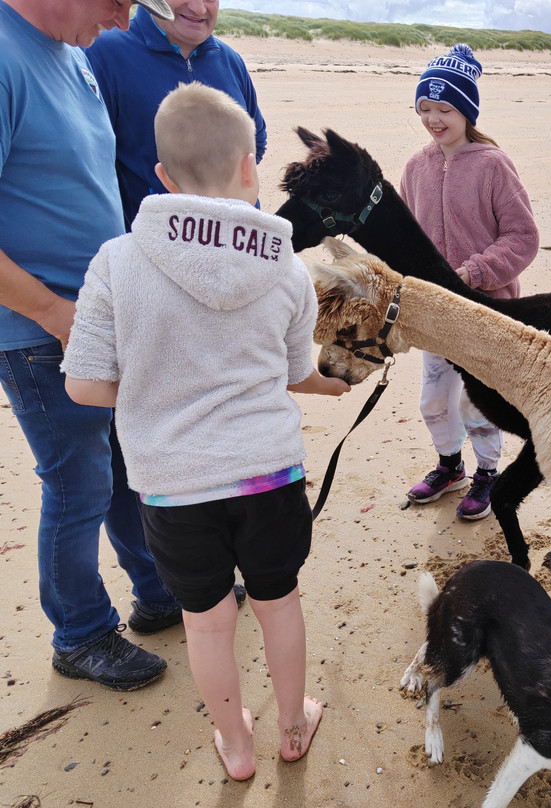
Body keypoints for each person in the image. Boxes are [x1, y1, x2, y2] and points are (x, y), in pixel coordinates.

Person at [61, 82, 348, 780]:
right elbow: (287, 373)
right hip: (268, 475)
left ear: (162, 178)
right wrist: (332, 384)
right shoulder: (286, 269)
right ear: (250, 167)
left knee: (208, 621)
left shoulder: (117, 261)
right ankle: (290, 726)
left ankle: (238, 749)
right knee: (279, 604)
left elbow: (84, 385)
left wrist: (162, 387)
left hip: (172, 486)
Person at [0, 0, 189, 692]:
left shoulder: (73, 55)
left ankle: (160, 591)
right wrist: (55, 312)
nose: (119, 22)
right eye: (115, 3)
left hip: (95, 315)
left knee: (120, 462)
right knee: (77, 485)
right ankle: (79, 635)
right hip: (40, 330)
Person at [400, 43, 539, 520]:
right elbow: (406, 240)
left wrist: (474, 272)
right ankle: (449, 466)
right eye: (425, 108)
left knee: (479, 404)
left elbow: (522, 237)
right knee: (434, 400)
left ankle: (487, 473)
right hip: (435, 314)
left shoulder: (493, 165)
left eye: (445, 109)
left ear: (467, 110)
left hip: (486, 312)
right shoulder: (415, 168)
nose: (434, 119)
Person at [86, 0, 267, 230]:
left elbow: (256, 142)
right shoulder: (102, 53)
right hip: (153, 248)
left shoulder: (230, 61)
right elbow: (90, 164)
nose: (199, 9)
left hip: (240, 244)